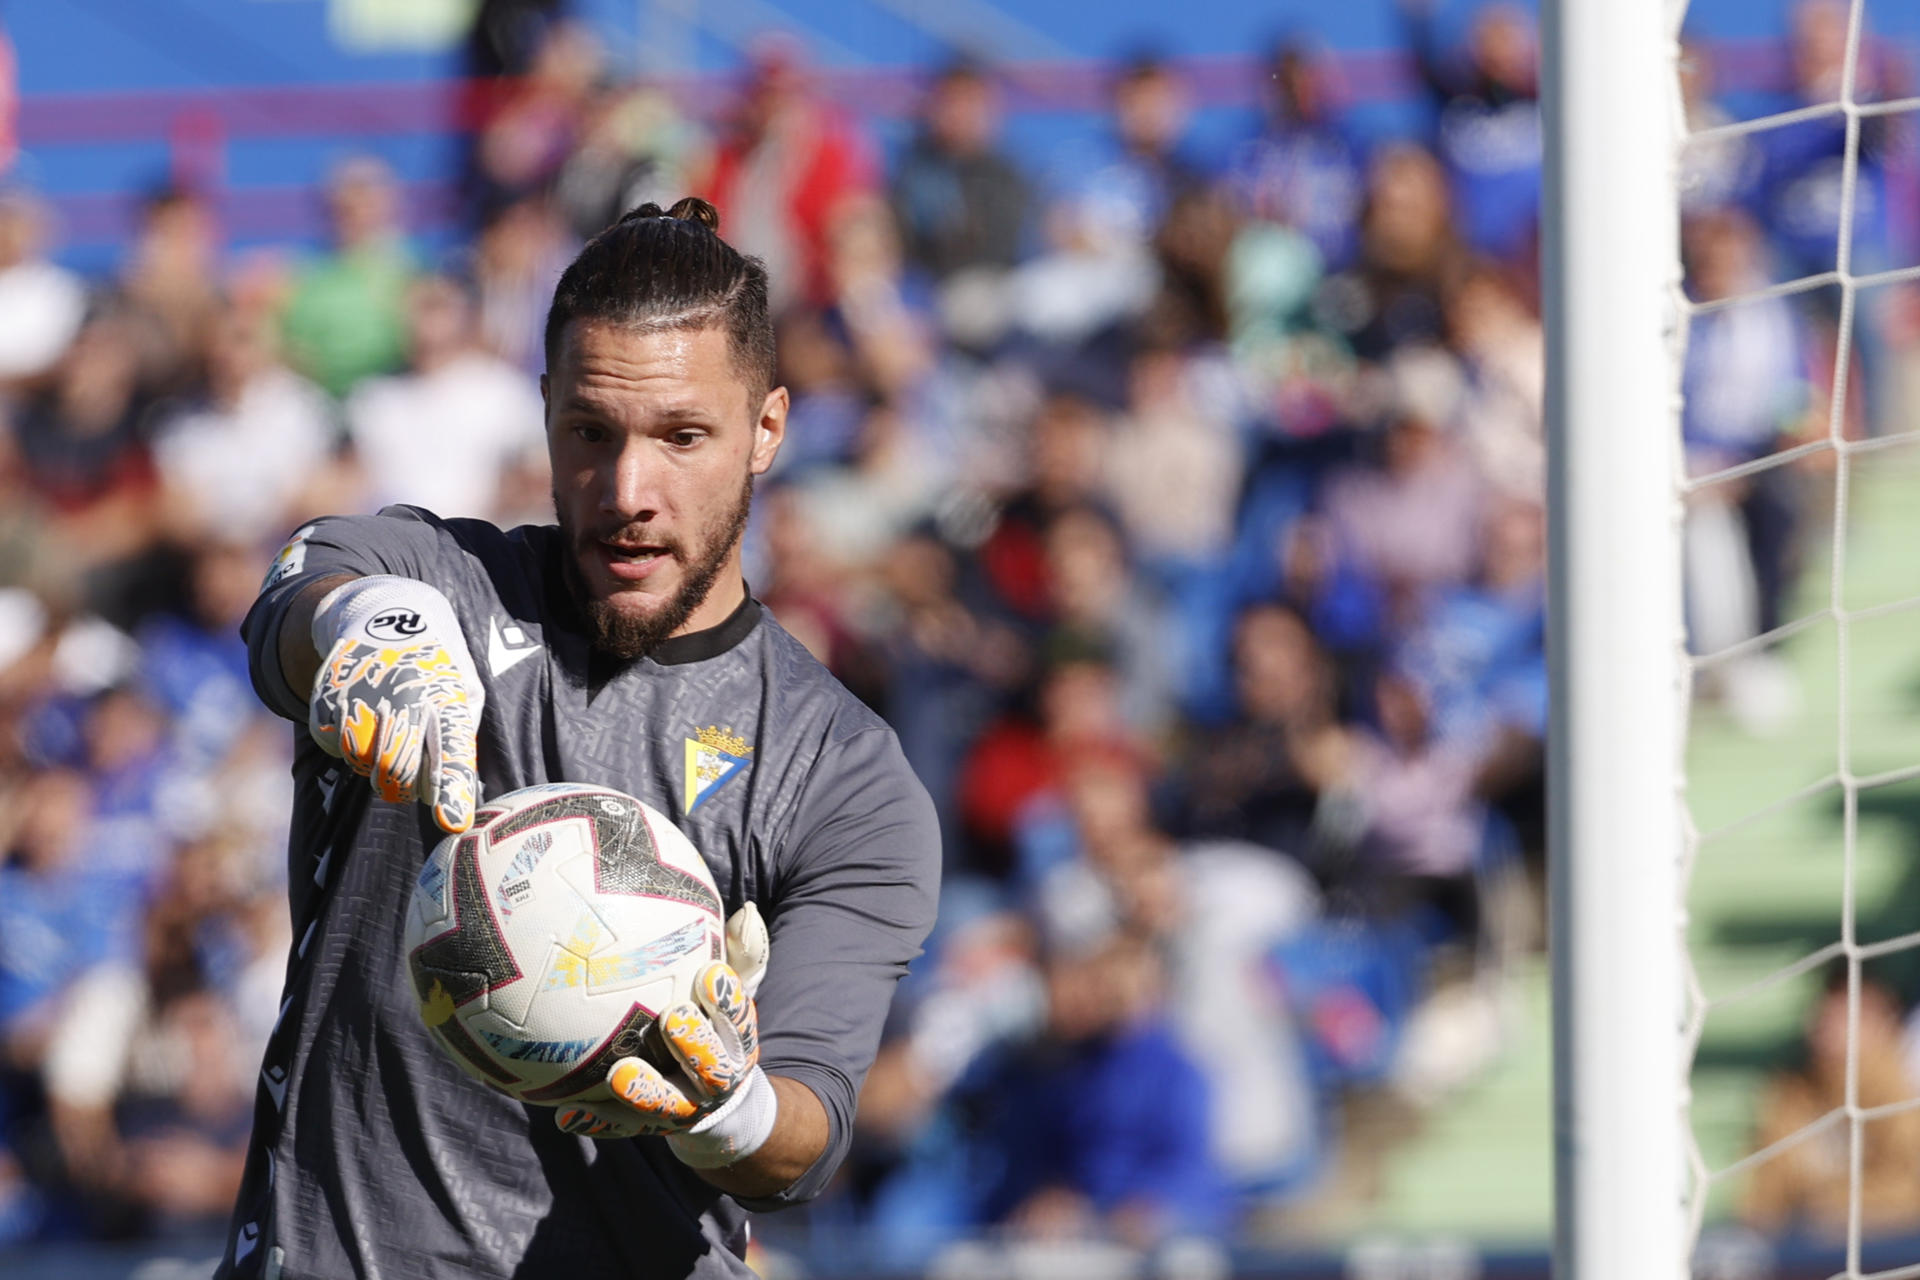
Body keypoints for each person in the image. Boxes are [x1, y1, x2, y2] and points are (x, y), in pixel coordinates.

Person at [214, 198, 941, 1279]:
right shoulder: (438, 589)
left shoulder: (840, 773)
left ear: (768, 430)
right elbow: (305, 596)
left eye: (683, 436)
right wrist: (365, 632)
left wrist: (725, 1107)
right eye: (590, 432)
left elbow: (805, 1135)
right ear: (544, 410)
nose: (628, 492)